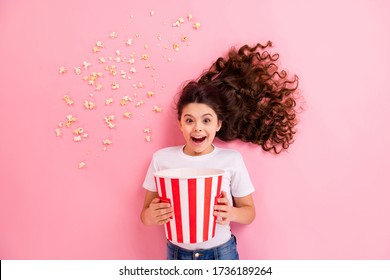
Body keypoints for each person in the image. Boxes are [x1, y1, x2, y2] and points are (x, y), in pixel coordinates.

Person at [140, 41, 300, 260]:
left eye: (206, 120)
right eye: (189, 120)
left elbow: (249, 213)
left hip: (220, 254)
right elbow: (145, 216)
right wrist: (152, 215)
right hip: (177, 254)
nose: (197, 127)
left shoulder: (231, 160)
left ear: (218, 125)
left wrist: (231, 212)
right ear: (179, 124)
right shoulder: (162, 159)